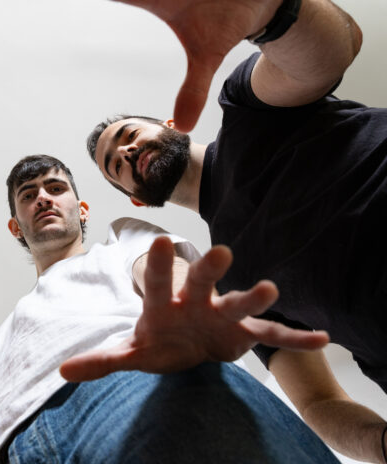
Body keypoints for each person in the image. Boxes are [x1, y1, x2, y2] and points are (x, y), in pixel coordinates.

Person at [86, 0, 387, 461]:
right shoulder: (233, 288)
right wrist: (379, 445)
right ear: (137, 200)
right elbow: (317, 402)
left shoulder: (248, 108)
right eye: (115, 166)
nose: (126, 153)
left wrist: (270, 13)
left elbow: (333, 51)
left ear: (168, 125)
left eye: (129, 135)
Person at [0, 154, 338, 464]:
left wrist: (189, 321)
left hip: (135, 384)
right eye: (29, 195)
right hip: (10, 449)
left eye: (55, 188)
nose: (43, 198)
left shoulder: (120, 240)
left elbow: (171, 281)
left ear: (82, 211)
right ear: (15, 228)